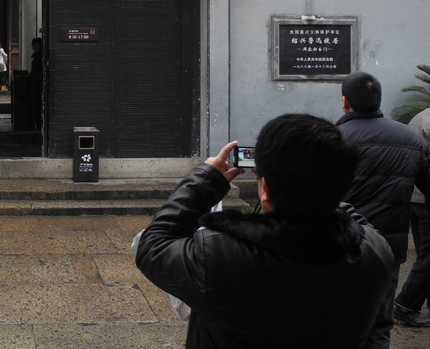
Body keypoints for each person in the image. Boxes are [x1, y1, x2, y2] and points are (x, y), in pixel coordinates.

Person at [136, 113, 394, 349]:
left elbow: (154, 244)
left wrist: (207, 179)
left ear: (265, 188)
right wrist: (320, 186)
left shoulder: (219, 256)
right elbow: (379, 329)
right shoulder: (376, 251)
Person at [336, 71, 430, 341]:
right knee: (380, 324)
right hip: (388, 248)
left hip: (340, 244)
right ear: (378, 100)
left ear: (345, 102)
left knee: (337, 319)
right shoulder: (412, 141)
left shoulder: (332, 138)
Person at [395, 108, 430, 325]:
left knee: (424, 255)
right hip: (427, 197)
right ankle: (405, 306)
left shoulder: (421, 116)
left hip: (414, 196)